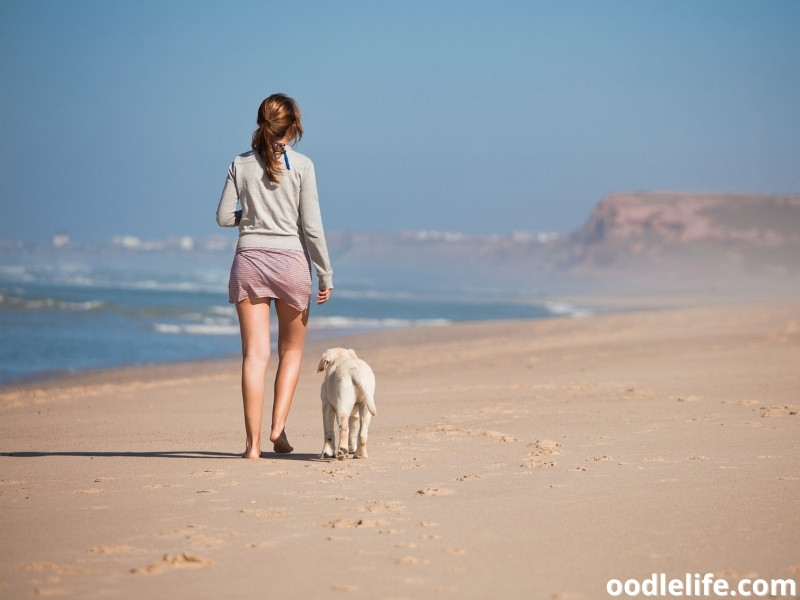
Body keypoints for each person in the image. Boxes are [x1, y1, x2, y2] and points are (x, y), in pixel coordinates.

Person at [216, 93, 333, 459]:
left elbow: (222, 217)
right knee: (292, 350)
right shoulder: (302, 166)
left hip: (248, 260)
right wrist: (325, 273)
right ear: (293, 126)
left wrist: (250, 218)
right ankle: (277, 429)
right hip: (291, 263)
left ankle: (251, 447)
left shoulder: (240, 163)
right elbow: (311, 227)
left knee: (254, 355)